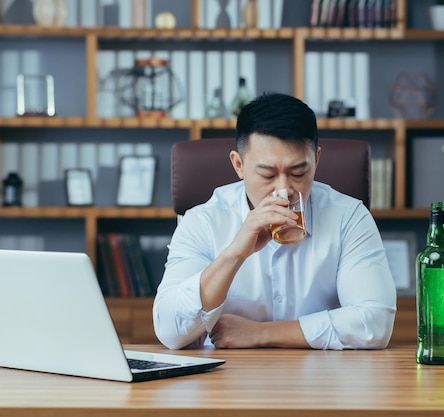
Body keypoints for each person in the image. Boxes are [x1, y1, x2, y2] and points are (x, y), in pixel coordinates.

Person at [153, 92, 396, 350]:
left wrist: (261, 333)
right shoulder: (203, 221)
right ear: (238, 165)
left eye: (298, 172)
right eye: (267, 174)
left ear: (316, 160)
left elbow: (375, 323)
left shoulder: (349, 217)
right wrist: (235, 253)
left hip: (323, 380)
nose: (284, 189)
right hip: (224, 382)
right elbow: (170, 331)